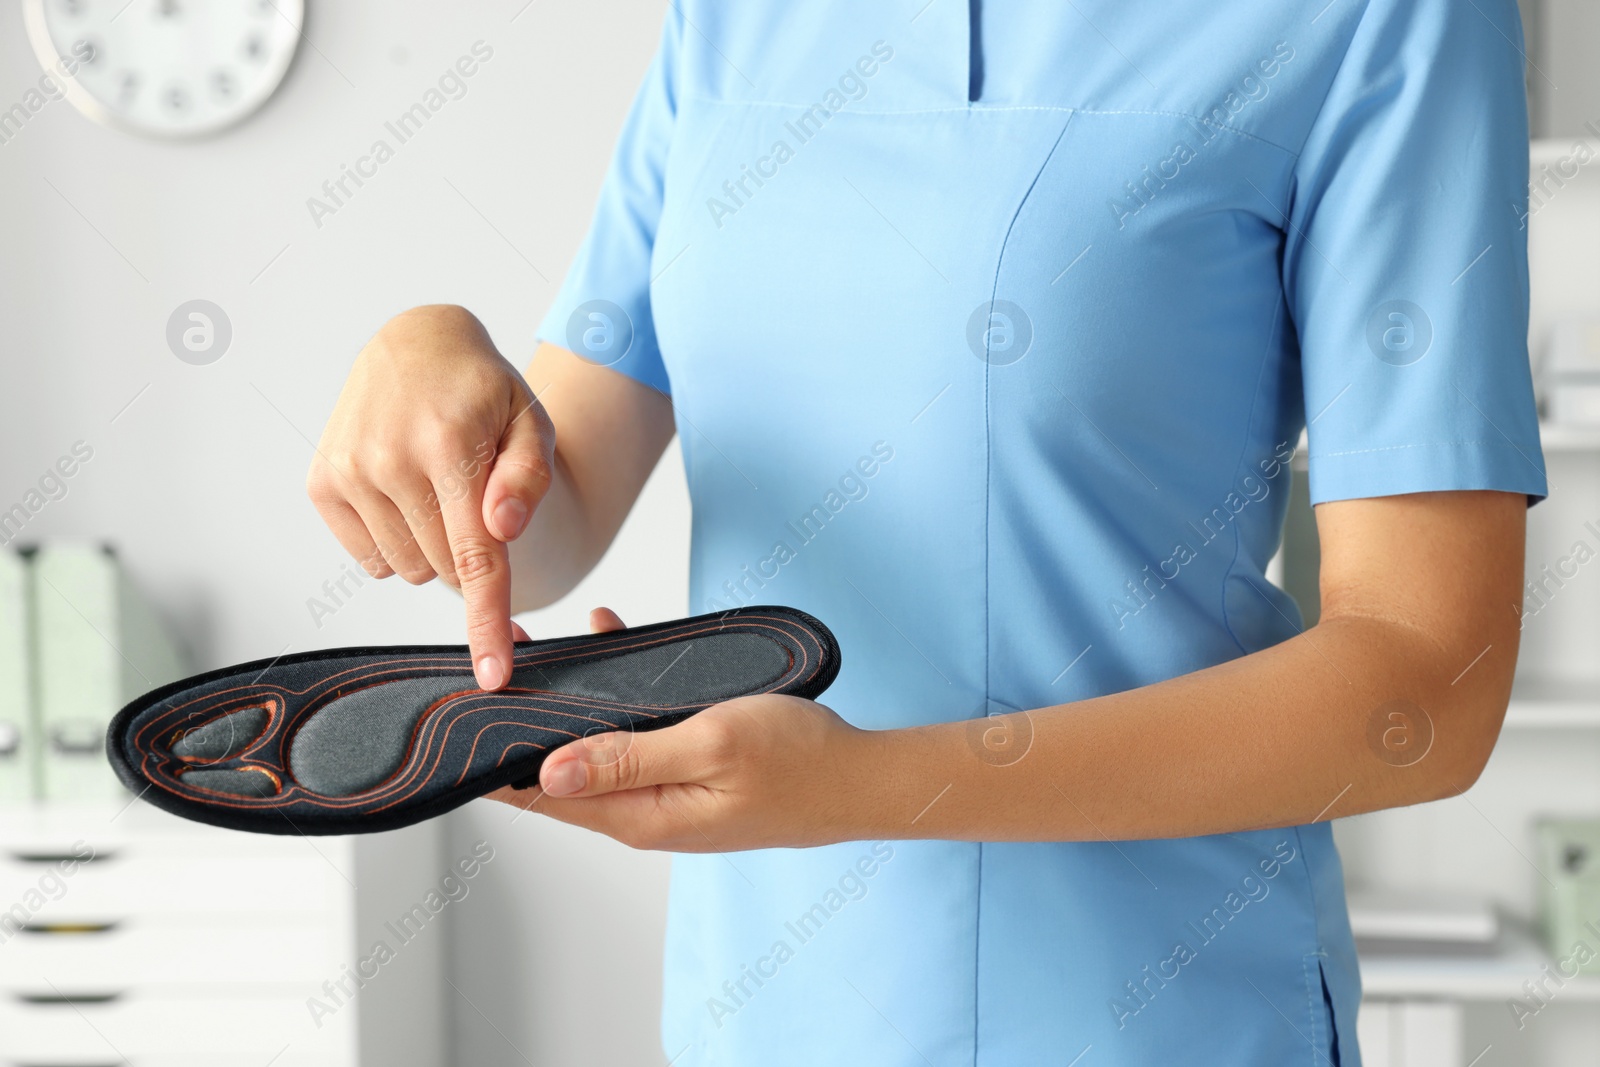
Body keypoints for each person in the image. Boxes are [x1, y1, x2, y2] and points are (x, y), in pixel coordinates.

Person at [306, 1, 1545, 1063]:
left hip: (1153, 1006)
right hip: (769, 1004)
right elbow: (552, 506)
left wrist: (866, 787)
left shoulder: (1381, 18)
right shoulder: (733, 22)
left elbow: (1426, 686)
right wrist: (426, 353)